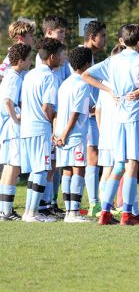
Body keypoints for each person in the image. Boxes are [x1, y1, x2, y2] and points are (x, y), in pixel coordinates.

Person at [83, 24, 139, 225]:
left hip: (117, 117)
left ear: (123, 41)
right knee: (131, 165)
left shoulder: (112, 60)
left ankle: (106, 212)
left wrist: (108, 90)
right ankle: (127, 214)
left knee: (118, 165)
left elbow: (86, 75)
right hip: (135, 115)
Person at [20, 38, 65, 222]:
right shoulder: (49, 77)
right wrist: (54, 124)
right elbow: (47, 108)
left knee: (35, 170)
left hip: (27, 128)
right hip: (40, 129)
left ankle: (29, 211)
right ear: (52, 56)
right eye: (61, 54)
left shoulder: (30, 74)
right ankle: (32, 213)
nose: (63, 58)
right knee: (41, 169)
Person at [36, 15, 71, 218]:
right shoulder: (45, 60)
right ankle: (43, 204)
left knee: (55, 163)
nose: (63, 36)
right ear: (49, 32)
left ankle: (51, 202)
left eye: (64, 32)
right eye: (60, 32)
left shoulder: (61, 57)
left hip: (59, 115)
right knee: (48, 163)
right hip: (49, 118)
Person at [55, 47, 93, 223]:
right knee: (79, 169)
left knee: (67, 170)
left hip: (61, 134)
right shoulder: (83, 84)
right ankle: (74, 213)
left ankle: (69, 211)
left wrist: (58, 133)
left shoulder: (65, 84)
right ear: (87, 64)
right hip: (75, 133)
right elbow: (76, 113)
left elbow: (62, 111)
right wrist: (66, 133)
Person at [0, 44, 33, 220]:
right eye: (29, 59)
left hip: (9, 127)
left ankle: (4, 209)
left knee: (9, 167)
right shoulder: (13, 77)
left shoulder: (13, 75)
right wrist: (16, 118)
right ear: (20, 61)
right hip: (13, 128)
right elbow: (7, 101)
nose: (30, 62)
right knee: (13, 167)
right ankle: (7, 211)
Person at [79, 20, 107, 217]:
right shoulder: (80, 56)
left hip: (93, 114)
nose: (105, 39)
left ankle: (92, 202)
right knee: (91, 158)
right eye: (102, 36)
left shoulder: (93, 57)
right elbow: (74, 82)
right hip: (83, 116)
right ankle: (93, 203)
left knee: (92, 158)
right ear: (92, 37)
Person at [95, 44, 126, 220]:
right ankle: (109, 205)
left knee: (108, 169)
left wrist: (101, 130)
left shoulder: (104, 82)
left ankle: (106, 205)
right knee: (117, 168)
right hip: (116, 131)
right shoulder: (118, 82)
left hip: (106, 132)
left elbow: (98, 110)